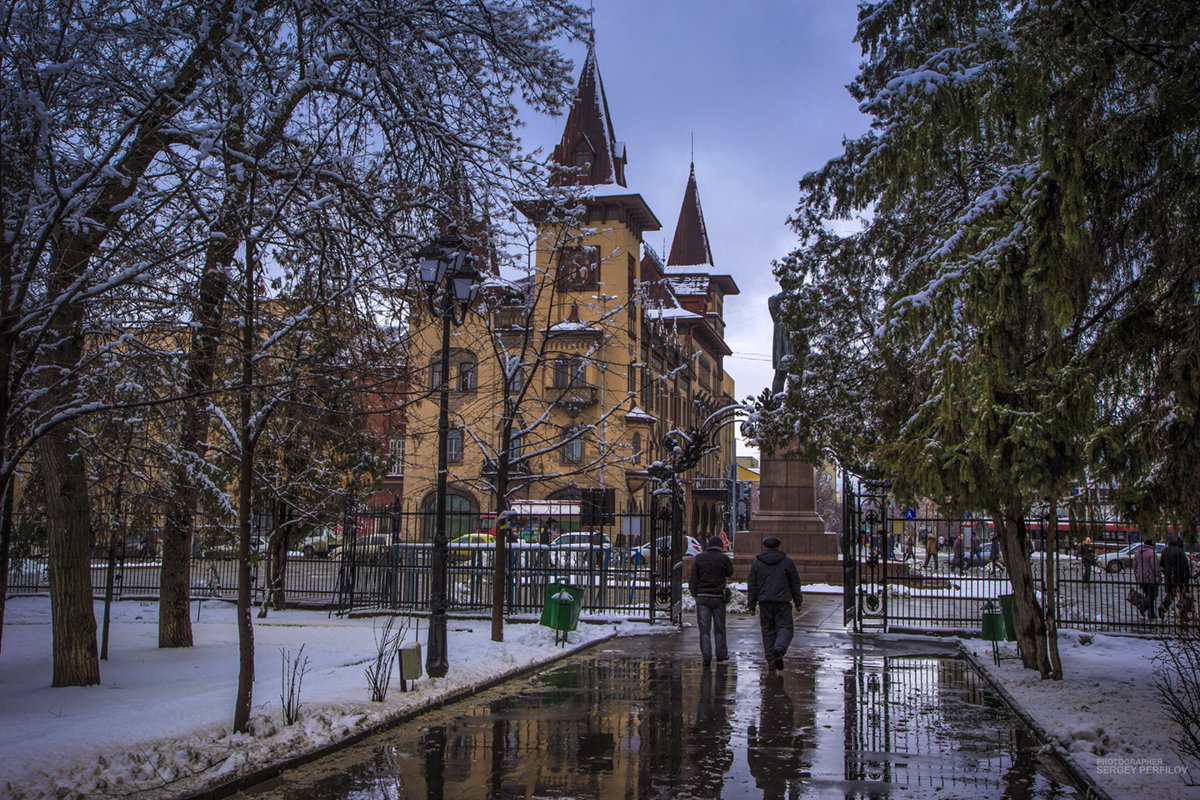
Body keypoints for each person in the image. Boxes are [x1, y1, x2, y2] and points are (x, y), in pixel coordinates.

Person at [746, 536, 804, 671]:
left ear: (764, 547)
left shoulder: (757, 563)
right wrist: (798, 602)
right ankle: (779, 649)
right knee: (785, 628)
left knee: (767, 632)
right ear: (778, 547)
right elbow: (795, 583)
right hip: (782, 602)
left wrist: (751, 606)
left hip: (764, 603)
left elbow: (752, 585)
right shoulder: (787, 562)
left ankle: (771, 661)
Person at [689, 536, 734, 667]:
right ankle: (721, 654)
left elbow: (693, 578)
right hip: (718, 597)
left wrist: (695, 594)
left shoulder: (699, 558)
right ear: (720, 546)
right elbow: (730, 573)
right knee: (720, 628)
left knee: (704, 629)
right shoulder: (724, 559)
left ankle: (706, 656)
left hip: (702, 596)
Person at [1160, 537, 1191, 619]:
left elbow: (1161, 564)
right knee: (1183, 596)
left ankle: (1162, 608)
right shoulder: (1179, 551)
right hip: (1179, 577)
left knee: (1170, 595)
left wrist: (1166, 572)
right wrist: (1187, 576)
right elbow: (1184, 565)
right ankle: (1183, 614)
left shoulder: (1165, 551)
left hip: (1169, 577)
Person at [1132, 539, 1161, 620]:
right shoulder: (1151, 553)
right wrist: (1158, 577)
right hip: (1150, 577)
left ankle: (1151, 614)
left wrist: (1137, 577)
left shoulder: (1138, 553)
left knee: (1148, 594)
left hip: (1141, 578)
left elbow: (1135, 566)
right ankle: (1143, 605)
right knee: (1153, 595)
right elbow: (1155, 566)